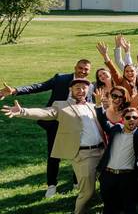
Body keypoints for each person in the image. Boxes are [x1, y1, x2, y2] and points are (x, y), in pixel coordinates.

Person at [2, 78, 101, 214]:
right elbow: (45, 112)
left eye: (84, 88)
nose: (81, 90)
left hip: (103, 151)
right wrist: (22, 111)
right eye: (77, 88)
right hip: (83, 154)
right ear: (71, 90)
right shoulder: (61, 106)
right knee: (88, 191)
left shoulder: (93, 106)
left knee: (110, 185)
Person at [0, 59, 91, 198]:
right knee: (53, 154)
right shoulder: (60, 79)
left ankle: (76, 182)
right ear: (75, 67)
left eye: (86, 69)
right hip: (54, 121)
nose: (83, 71)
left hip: (75, 125)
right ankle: (52, 185)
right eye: (81, 68)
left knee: (77, 152)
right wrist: (15, 90)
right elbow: (39, 86)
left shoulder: (89, 86)